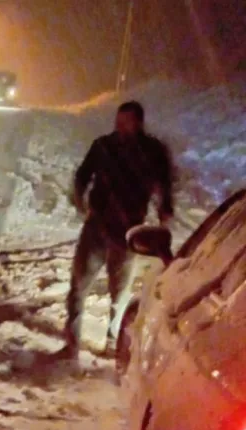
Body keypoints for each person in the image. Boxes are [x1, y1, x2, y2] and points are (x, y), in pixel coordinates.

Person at [56, 100, 174, 360]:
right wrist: (80, 199)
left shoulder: (152, 151)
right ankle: (71, 342)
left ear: (138, 123)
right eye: (117, 122)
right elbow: (82, 175)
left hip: (129, 232)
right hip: (97, 226)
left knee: (119, 294)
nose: (119, 128)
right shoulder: (103, 147)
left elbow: (164, 183)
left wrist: (165, 211)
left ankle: (112, 342)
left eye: (125, 123)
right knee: (78, 285)